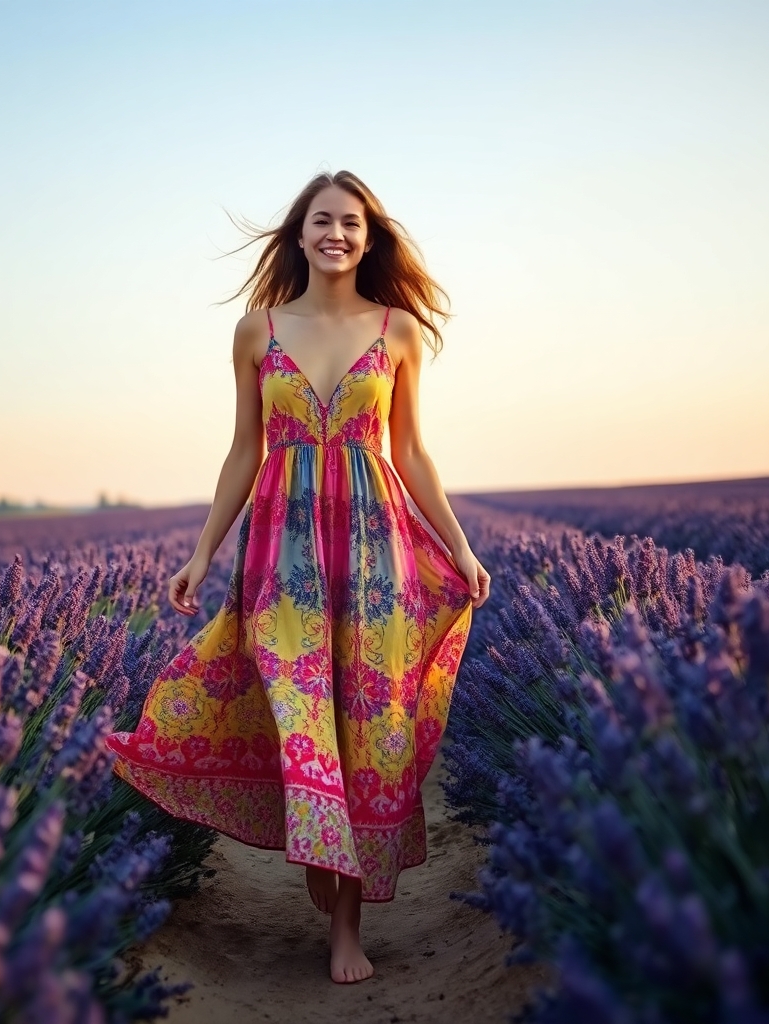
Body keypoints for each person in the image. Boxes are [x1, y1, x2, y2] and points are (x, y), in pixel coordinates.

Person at [106, 170, 491, 984]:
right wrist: (203, 551)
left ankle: (345, 925)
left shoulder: (398, 331)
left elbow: (412, 451)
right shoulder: (257, 330)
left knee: (360, 723)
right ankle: (325, 866)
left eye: (351, 223)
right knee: (300, 712)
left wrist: (456, 547)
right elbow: (245, 449)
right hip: (280, 554)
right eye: (323, 221)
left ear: (368, 236)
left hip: (375, 555)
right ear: (299, 233)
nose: (337, 235)